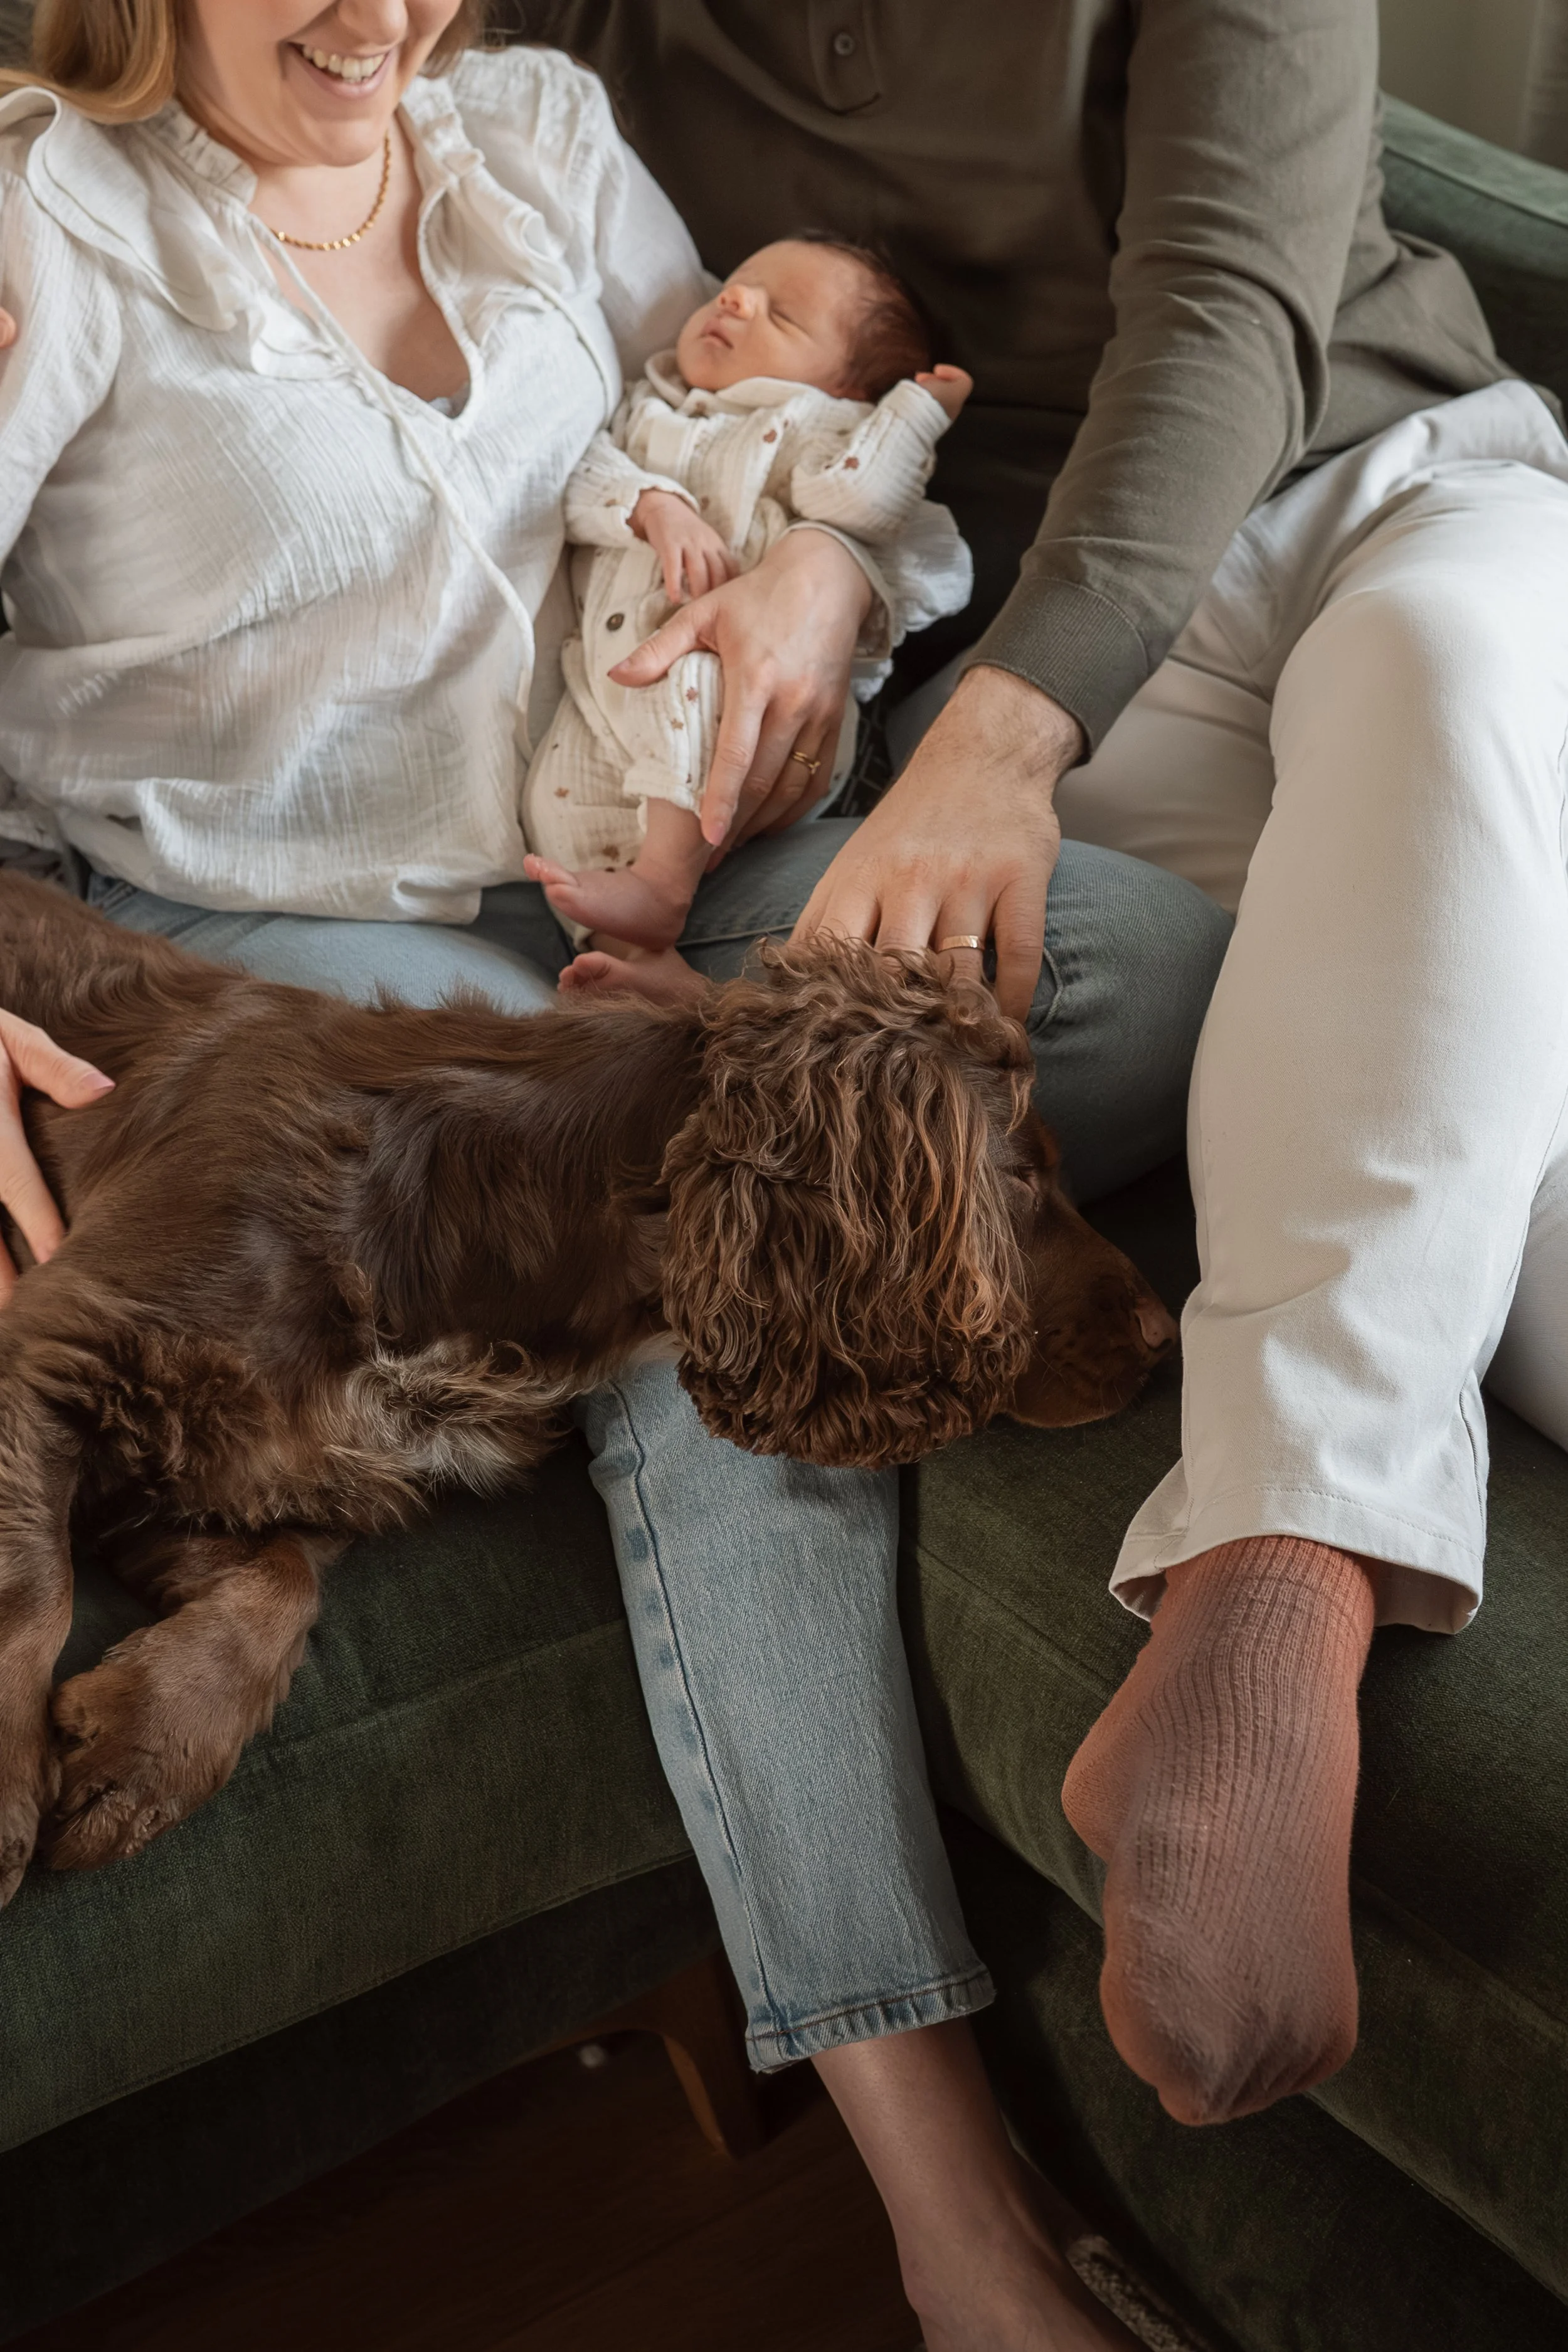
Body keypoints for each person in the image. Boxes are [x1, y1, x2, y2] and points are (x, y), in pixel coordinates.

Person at [0, 6, 1228, 2347]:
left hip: (640, 873)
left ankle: (765, 1150)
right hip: (300, 938)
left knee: (1162, 964)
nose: (377, 19)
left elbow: (792, 443)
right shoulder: (53, 212)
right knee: (710, 1335)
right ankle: (955, 2217)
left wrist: (820, 602)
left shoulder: (535, 134)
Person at [524, 0, 1568, 2134]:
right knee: (1501, 1183)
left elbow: (1229, 305)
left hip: (1381, 492)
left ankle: (1274, 1584)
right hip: (1073, 671)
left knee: (1450, 678)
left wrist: (1002, 738)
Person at [521, 233, 973, 995]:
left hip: (744, 691)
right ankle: (642, 969)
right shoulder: (649, 406)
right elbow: (584, 481)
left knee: (692, 680)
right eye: (734, 284)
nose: (734, 299)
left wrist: (915, 415)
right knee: (557, 799)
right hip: (607, 687)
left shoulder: (815, 425)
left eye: (782, 315)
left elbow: (857, 503)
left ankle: (663, 887)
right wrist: (652, 505)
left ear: (847, 387)